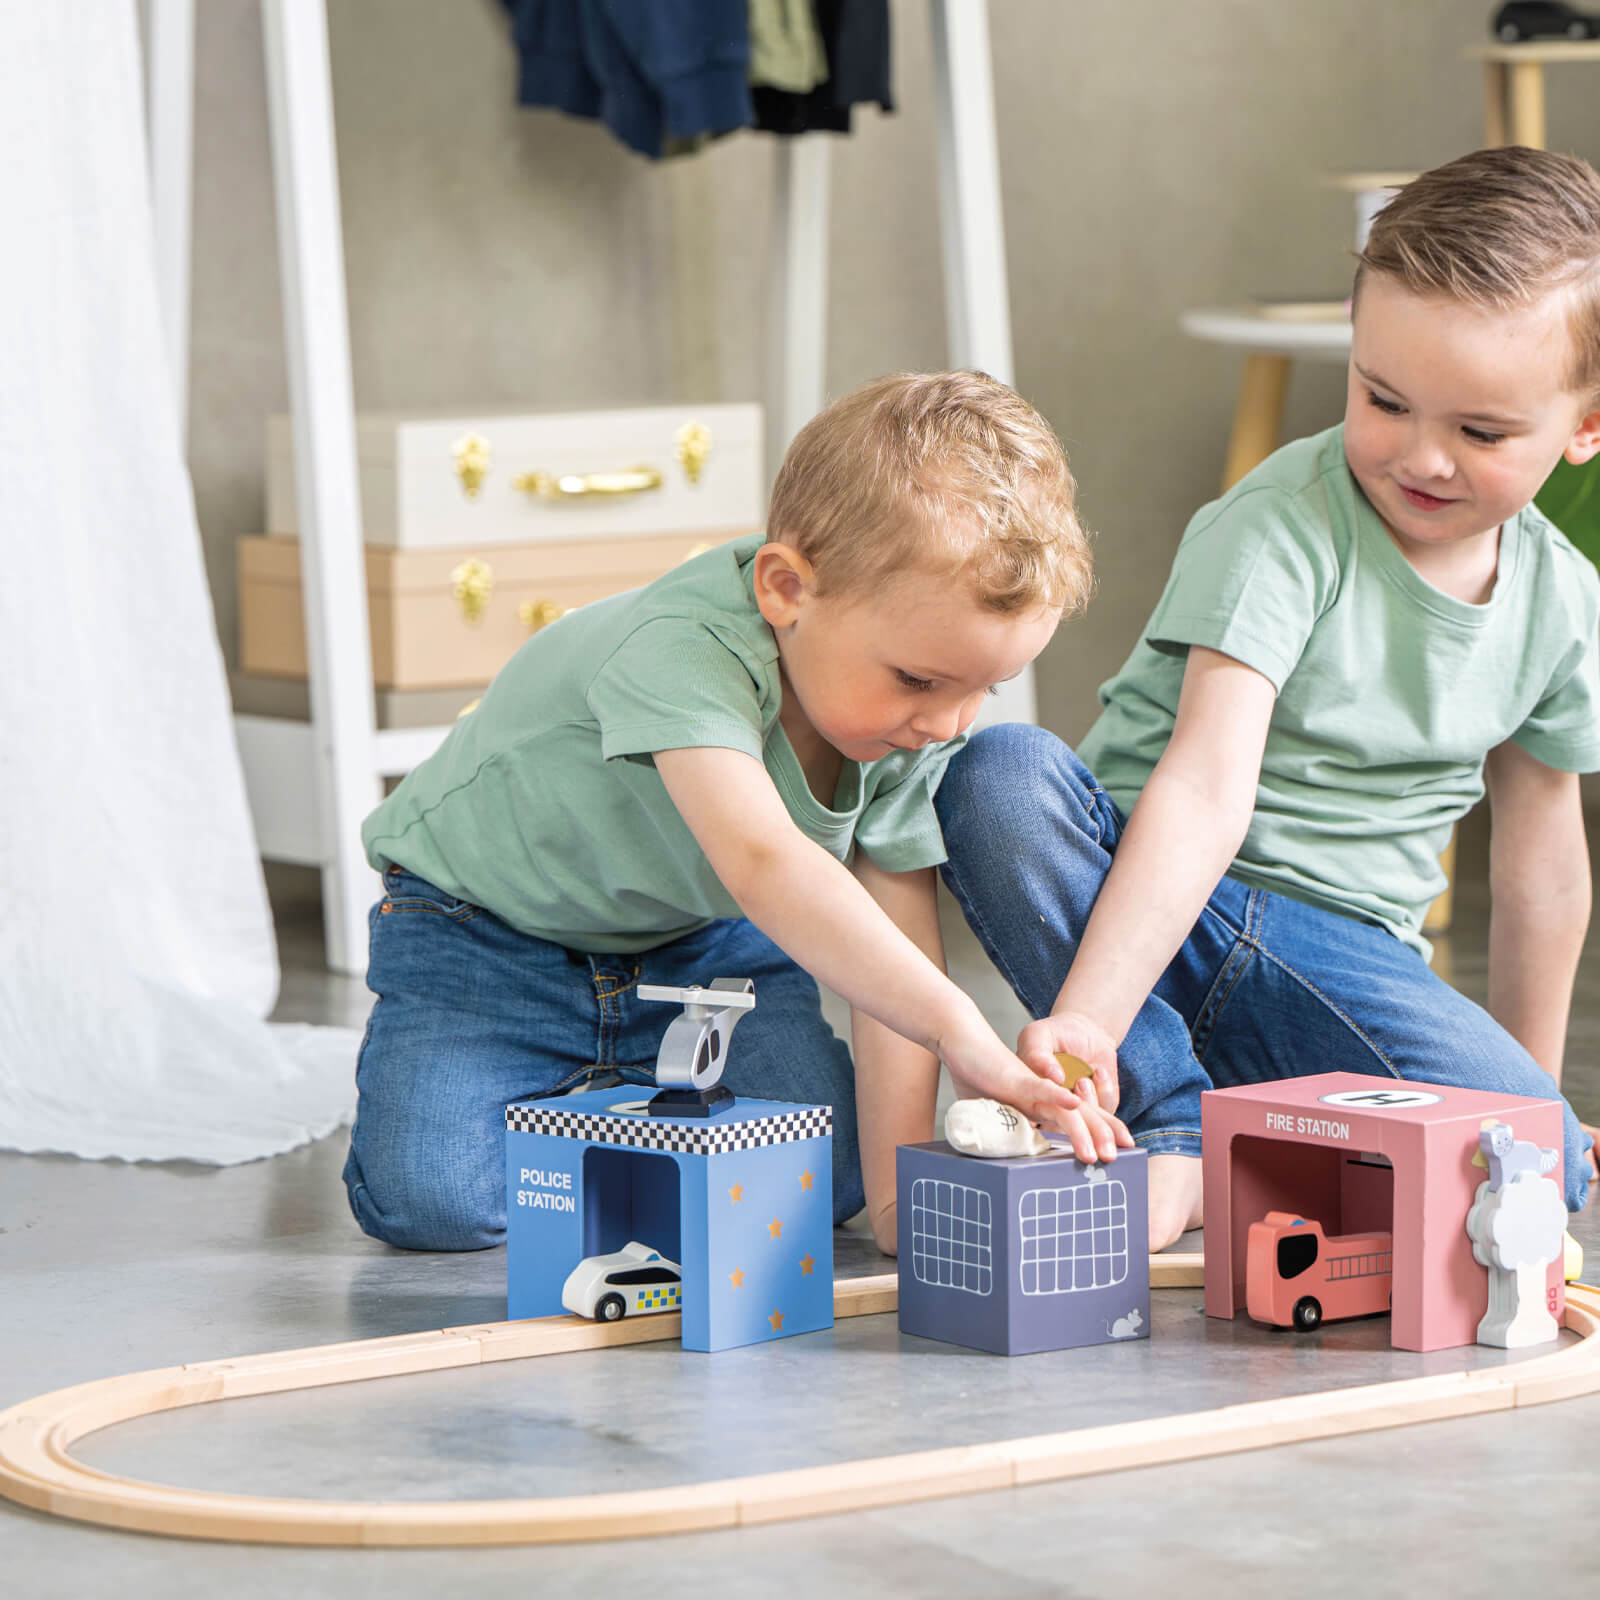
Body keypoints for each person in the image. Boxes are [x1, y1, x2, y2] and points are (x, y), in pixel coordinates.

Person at [933, 146, 1600, 1252]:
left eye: (1479, 432)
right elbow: (1200, 788)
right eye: (1383, 400)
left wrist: (1525, 1103)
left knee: (1536, 1157)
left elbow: (1540, 859)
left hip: (1334, 958)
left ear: (1584, 430)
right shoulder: (1281, 525)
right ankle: (1167, 1111)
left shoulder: (1565, 604)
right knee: (1000, 776)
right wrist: (1092, 1016)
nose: (1421, 457)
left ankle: (1250, 1131)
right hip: (1146, 892)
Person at [346, 370, 1128, 1255]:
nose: (947, 723)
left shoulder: (916, 721)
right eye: (917, 680)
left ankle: (623, 1097)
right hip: (487, 935)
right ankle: (605, 1103)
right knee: (434, 1202)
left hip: (703, 946)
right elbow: (763, 860)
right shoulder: (683, 647)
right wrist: (960, 1030)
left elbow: (897, 930)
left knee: (826, 1178)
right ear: (785, 589)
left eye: (984, 689)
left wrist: (897, 1192)